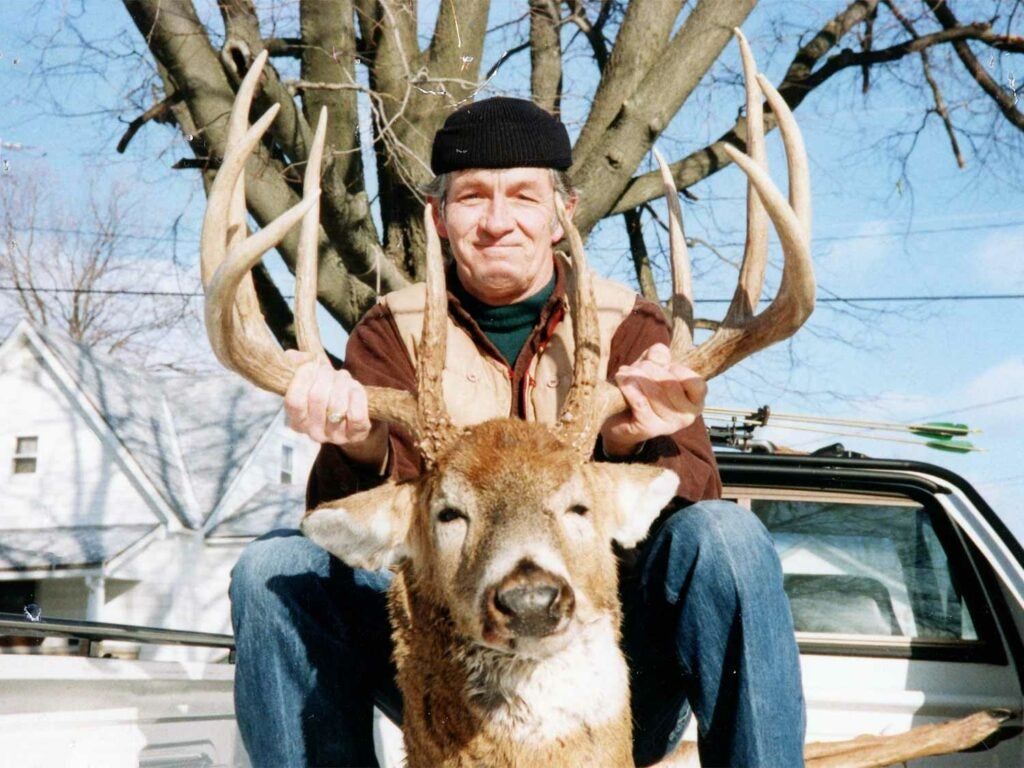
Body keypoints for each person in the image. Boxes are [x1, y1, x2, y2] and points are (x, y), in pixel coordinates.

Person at [229, 97, 805, 768]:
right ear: (439, 216)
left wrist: (631, 444)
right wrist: (359, 447)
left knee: (729, 538)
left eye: (524, 196)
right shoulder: (391, 331)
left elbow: (692, 522)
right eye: (473, 197)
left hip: (607, 672)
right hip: (448, 672)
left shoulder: (633, 328)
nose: (498, 222)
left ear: (563, 211)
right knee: (274, 570)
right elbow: (351, 536)